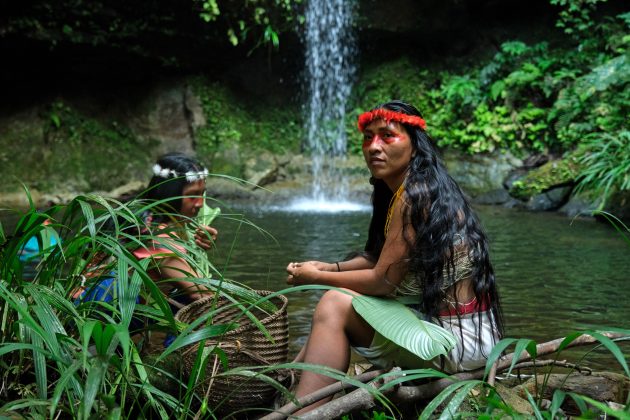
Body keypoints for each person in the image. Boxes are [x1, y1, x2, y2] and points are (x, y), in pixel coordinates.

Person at [285, 100, 503, 411]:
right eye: (368, 137)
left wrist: (315, 277)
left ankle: (305, 413)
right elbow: (379, 258)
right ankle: (292, 388)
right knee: (341, 293)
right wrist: (329, 266)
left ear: (415, 145)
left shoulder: (417, 195)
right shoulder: (407, 188)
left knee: (334, 302)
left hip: (459, 344)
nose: (374, 147)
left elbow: (383, 281)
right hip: (451, 334)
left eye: (387, 136)